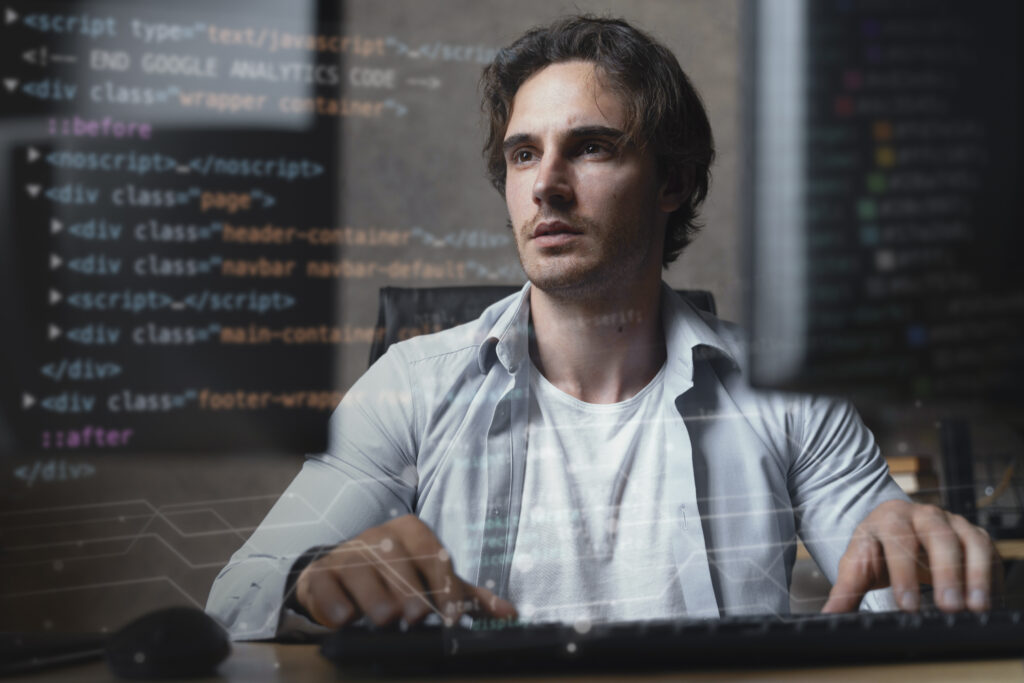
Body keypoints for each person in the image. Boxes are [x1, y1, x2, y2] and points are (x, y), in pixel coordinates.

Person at [206, 15, 999, 639]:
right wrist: (313, 578)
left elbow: (892, 582)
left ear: (673, 182)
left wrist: (921, 553)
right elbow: (237, 594)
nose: (546, 185)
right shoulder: (409, 388)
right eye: (523, 155)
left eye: (589, 148)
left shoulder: (791, 395)